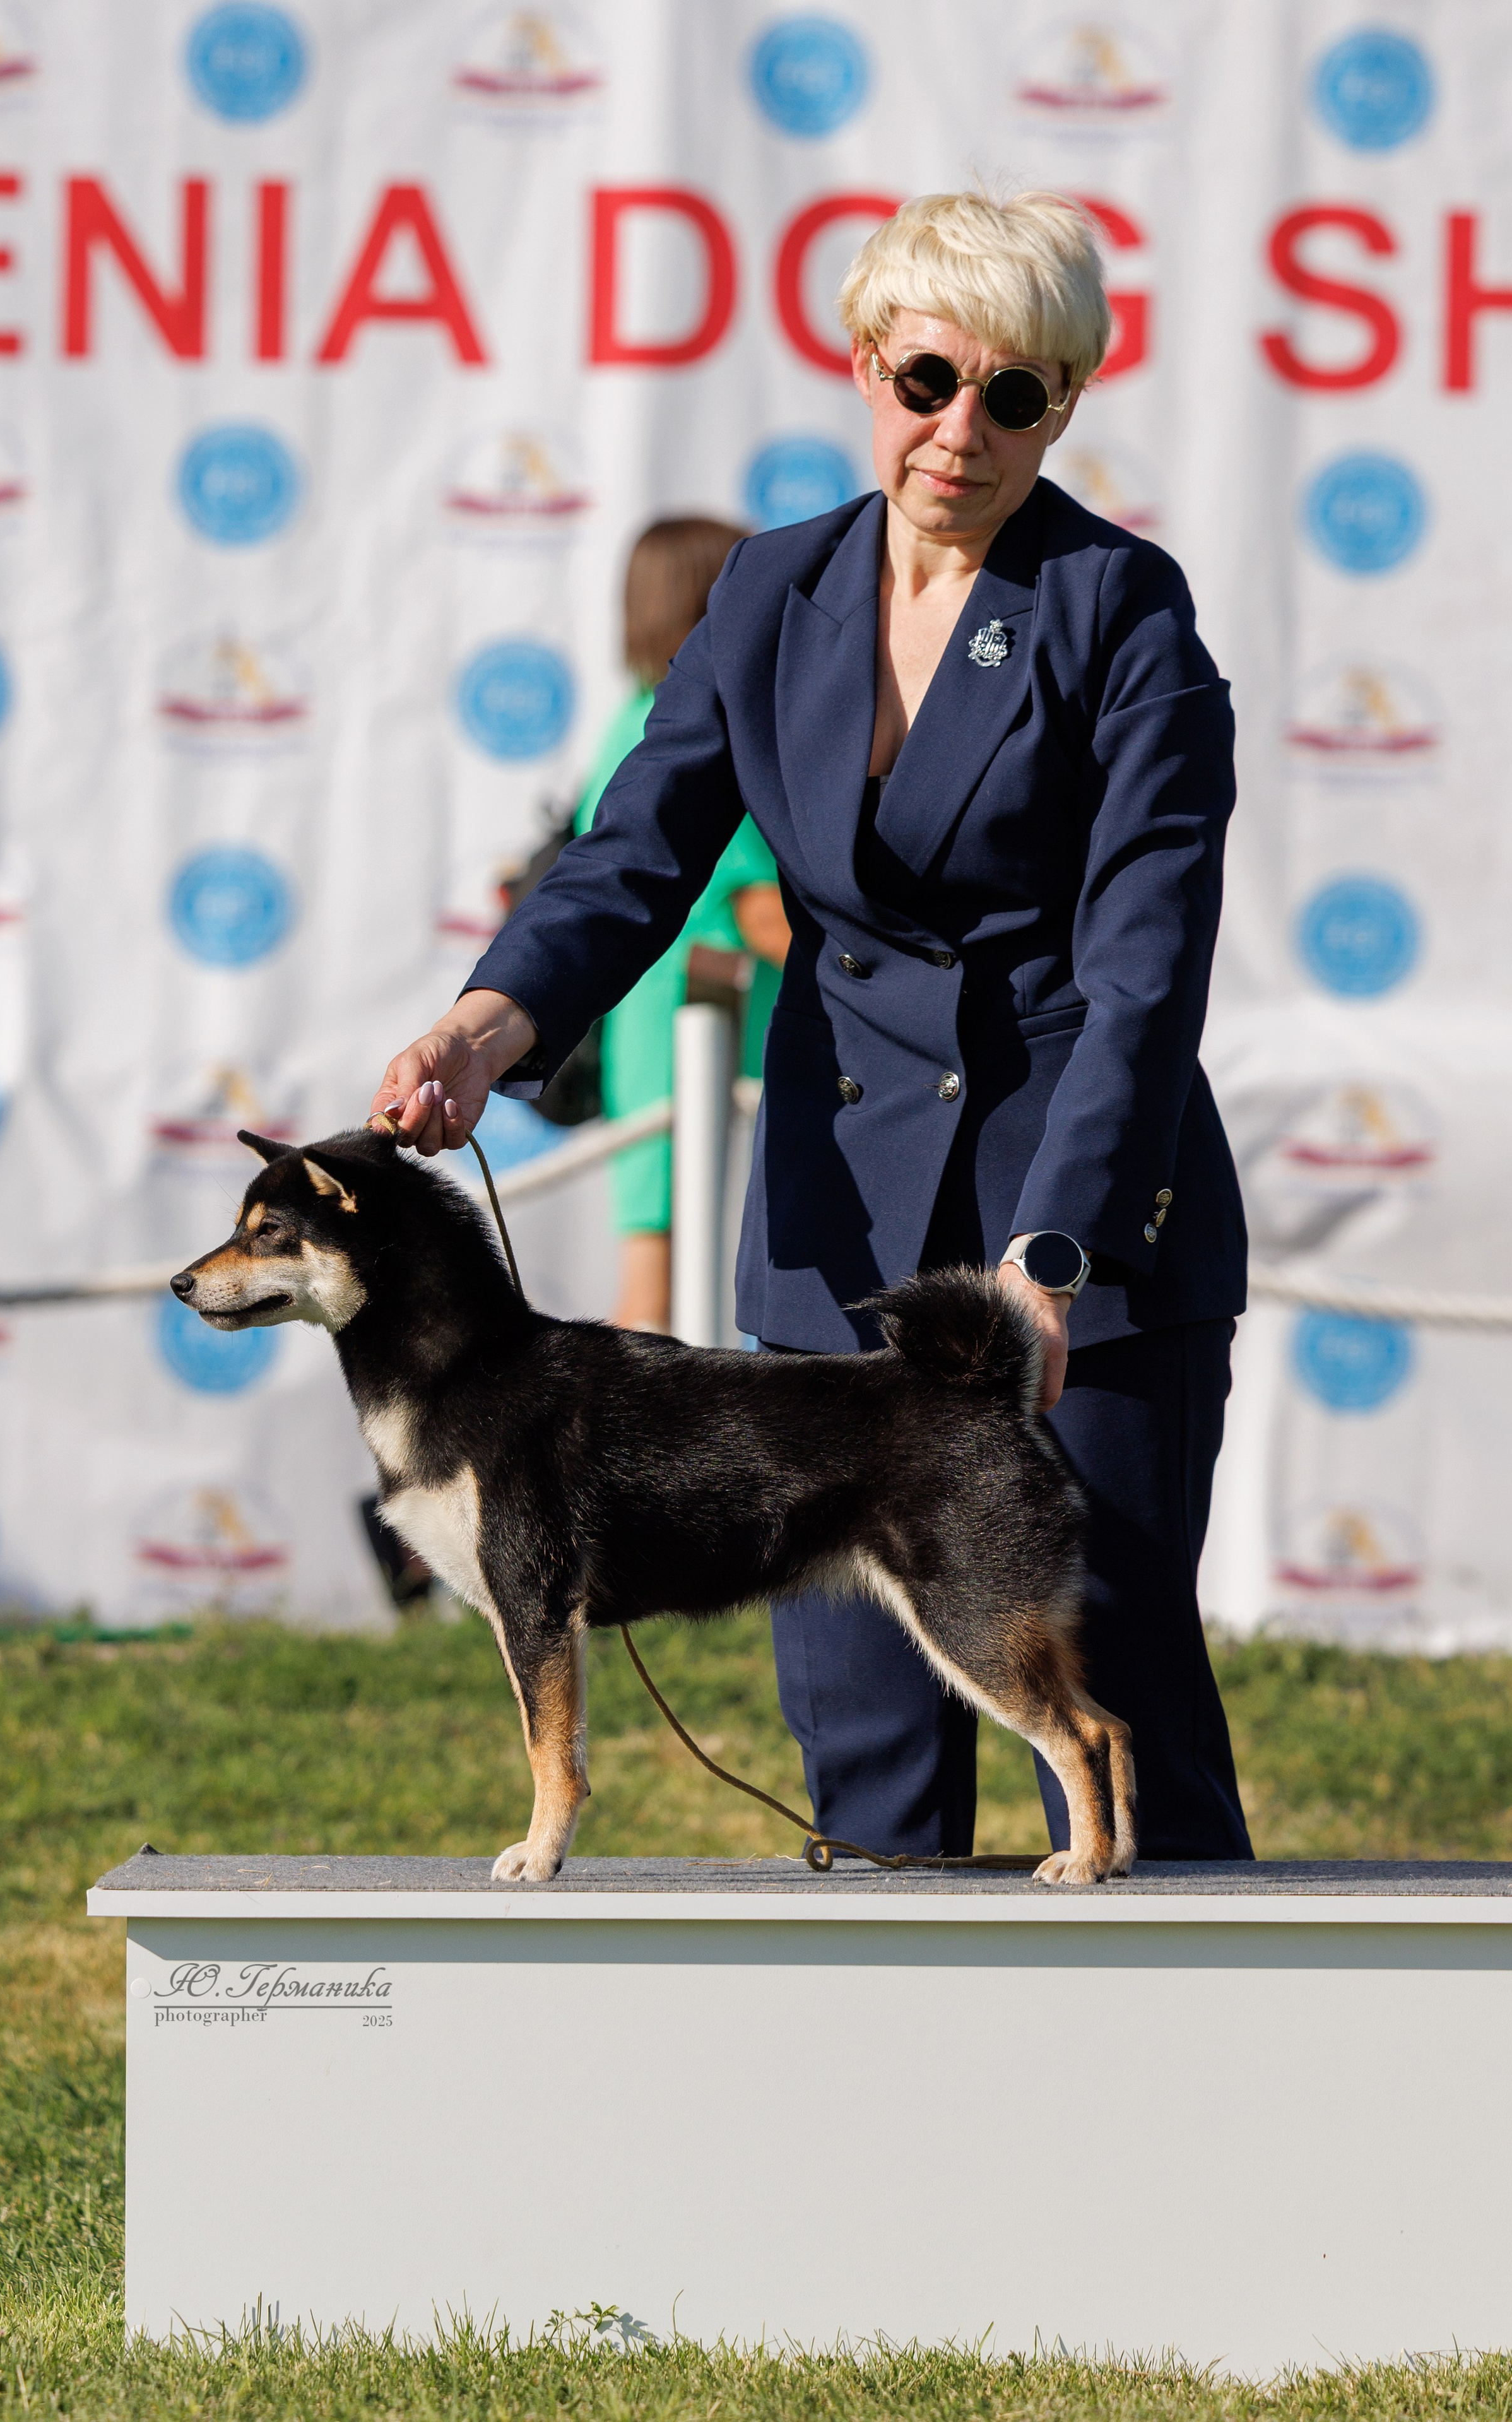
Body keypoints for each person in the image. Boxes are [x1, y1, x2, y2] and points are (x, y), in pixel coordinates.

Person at [372, 189, 1253, 1864]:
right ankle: (891, 2043)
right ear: (866, 364)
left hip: (1079, 1245)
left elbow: (1143, 972)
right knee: (862, 1742)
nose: (960, 430)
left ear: (1063, 406)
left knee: (1114, 1691)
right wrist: (487, 1027)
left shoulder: (1125, 610)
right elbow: (632, 855)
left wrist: (1054, 1250)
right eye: (929, 379)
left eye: (1014, 395)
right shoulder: (771, 588)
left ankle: (1200, 2033)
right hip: (835, 1245)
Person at [575, 519, 789, 1330]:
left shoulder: (631, 719)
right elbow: (761, 912)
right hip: (693, 1039)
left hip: (656, 1031)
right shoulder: (698, 734)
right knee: (657, 1299)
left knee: (658, 1284)